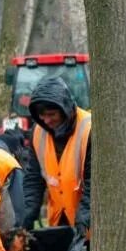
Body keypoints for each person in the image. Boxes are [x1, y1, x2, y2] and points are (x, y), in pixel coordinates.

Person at [21, 77, 91, 238]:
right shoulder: (38, 133)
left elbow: (94, 182)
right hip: (59, 220)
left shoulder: (88, 130)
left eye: (52, 114)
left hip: (87, 219)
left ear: (65, 109)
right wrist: (27, 216)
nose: (47, 120)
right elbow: (33, 179)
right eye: (42, 116)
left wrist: (85, 215)